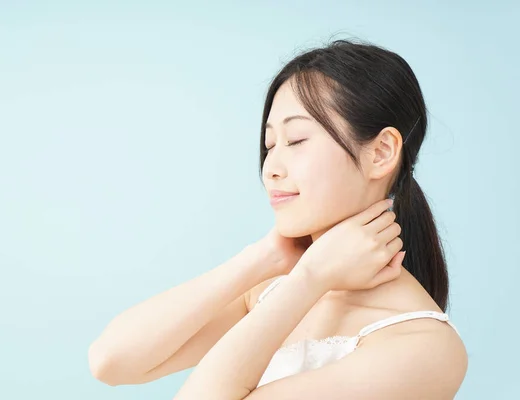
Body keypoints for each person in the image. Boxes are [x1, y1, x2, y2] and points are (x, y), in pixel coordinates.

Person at [88, 39, 468, 399]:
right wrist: (265, 257)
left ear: (382, 152)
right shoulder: (273, 290)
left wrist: (309, 278)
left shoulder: (424, 347)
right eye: (270, 145)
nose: (270, 169)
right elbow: (111, 362)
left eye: (297, 140)